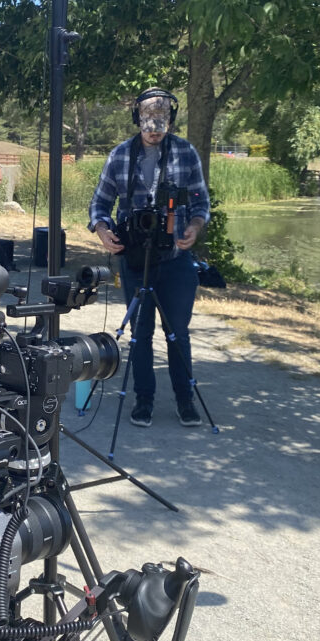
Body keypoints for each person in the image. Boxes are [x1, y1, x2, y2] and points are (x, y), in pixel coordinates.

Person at [89, 87, 211, 427]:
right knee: (141, 334)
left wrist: (196, 227)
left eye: (161, 120)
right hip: (134, 261)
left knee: (178, 333)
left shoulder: (186, 153)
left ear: (171, 119)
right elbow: (99, 203)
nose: (155, 127)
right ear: (136, 120)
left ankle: (186, 400)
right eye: (147, 120)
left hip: (175, 260)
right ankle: (144, 400)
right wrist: (102, 229)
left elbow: (201, 203)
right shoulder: (119, 156)